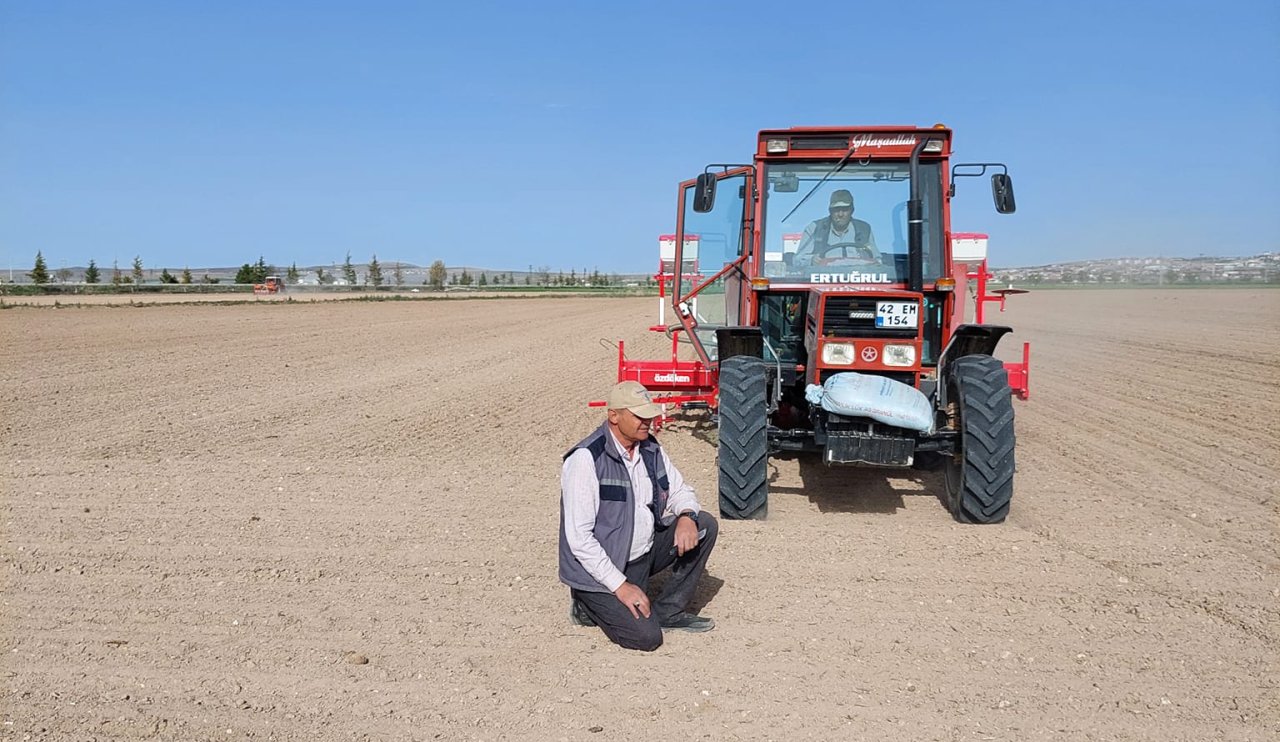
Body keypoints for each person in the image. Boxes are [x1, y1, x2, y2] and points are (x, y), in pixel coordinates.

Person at [559, 380, 719, 651]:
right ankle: (586, 605)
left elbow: (681, 490)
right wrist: (621, 586)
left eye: (649, 414)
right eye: (639, 415)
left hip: (641, 556)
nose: (648, 420)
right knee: (646, 638)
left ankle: (669, 611)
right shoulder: (586, 459)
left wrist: (686, 516)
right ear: (614, 416)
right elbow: (579, 539)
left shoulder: (650, 449)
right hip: (600, 569)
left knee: (705, 524)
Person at [791, 189, 880, 267]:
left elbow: (877, 260)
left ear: (852, 210)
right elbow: (797, 259)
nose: (840, 214)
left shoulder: (864, 229)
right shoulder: (815, 228)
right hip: (822, 281)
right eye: (836, 209)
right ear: (830, 211)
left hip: (858, 281)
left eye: (845, 209)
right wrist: (811, 260)